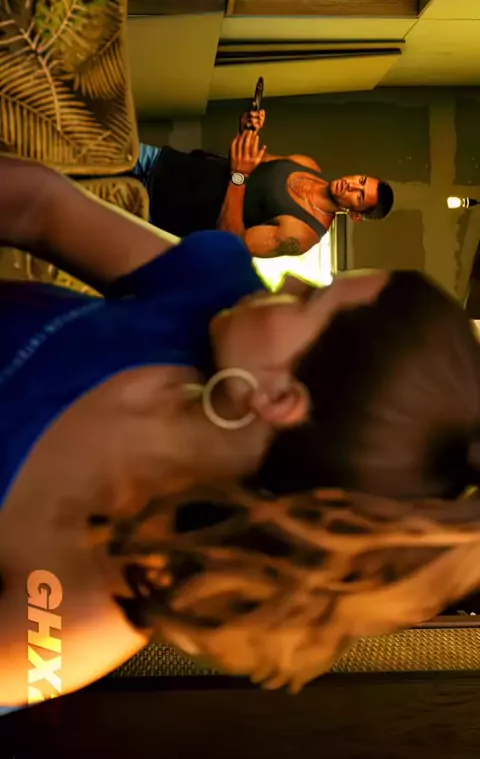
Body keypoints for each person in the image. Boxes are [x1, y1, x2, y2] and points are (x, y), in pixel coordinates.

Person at [1, 155, 480, 713]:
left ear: (279, 400)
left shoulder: (78, 616)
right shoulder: (216, 294)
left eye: (309, 299)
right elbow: (41, 208)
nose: (293, 280)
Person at [133, 108, 394, 258]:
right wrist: (246, 130)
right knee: (107, 145)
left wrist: (239, 177)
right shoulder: (307, 164)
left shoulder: (302, 235)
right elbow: (245, 161)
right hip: (165, 162)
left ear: (355, 215)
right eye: (361, 180)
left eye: (360, 196)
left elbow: (231, 244)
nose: (352, 186)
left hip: (154, 208)